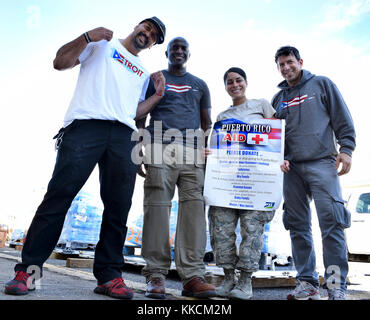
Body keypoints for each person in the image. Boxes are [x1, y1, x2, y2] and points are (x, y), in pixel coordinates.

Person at [4, 17, 166, 300]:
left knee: (118, 208)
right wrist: (87, 36)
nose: (148, 34)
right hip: (85, 126)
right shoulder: (103, 44)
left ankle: (109, 276)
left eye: (153, 36)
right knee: (59, 196)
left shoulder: (143, 73)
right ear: (137, 25)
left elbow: (136, 112)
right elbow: (60, 62)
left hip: (122, 136)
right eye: (147, 28)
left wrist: (158, 97)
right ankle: (28, 272)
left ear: (152, 44)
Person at [272, 46, 356, 300]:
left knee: (332, 224)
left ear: (300, 61)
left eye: (289, 62)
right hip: (293, 170)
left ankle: (335, 285)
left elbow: (342, 117)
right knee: (297, 226)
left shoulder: (321, 84)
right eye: (281, 64)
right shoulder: (279, 98)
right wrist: (280, 158)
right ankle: (307, 282)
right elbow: (276, 137)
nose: (286, 68)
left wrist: (347, 148)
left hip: (323, 163)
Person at [135, 37, 216, 299]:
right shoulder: (154, 79)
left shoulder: (200, 85)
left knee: (194, 210)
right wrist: (138, 149)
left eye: (183, 48)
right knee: (157, 208)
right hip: (159, 146)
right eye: (174, 48)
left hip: (193, 153)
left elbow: (207, 122)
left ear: (189, 54)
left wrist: (207, 151)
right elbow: (140, 116)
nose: (179, 51)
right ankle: (156, 275)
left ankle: (192, 276)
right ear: (167, 53)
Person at [207, 67, 277, 300]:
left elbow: (278, 139)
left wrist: (282, 162)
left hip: (256, 182)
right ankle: (228, 277)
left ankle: (245, 281)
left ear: (246, 82)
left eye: (238, 80)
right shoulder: (222, 117)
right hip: (228, 182)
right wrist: (211, 154)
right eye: (229, 82)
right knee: (222, 229)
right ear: (225, 87)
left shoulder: (262, 105)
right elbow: (217, 148)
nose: (234, 85)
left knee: (252, 229)